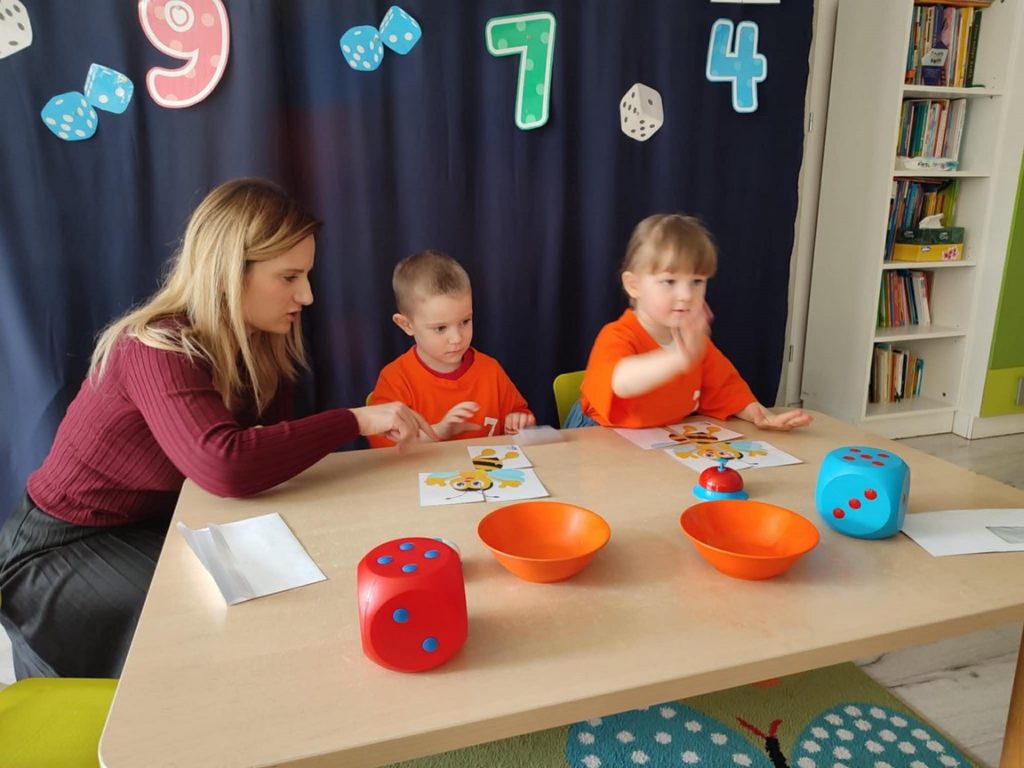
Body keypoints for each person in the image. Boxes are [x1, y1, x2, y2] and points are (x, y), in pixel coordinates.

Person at [0, 178, 436, 679]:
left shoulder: (260, 349)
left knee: (304, 580)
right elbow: (226, 466)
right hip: (59, 547)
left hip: (157, 527)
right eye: (289, 277)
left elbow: (265, 461)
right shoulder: (152, 346)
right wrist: (353, 420)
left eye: (307, 276)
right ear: (228, 271)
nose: (307, 295)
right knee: (210, 619)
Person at [567, 214, 812, 431]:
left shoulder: (695, 343)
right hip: (599, 435)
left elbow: (727, 389)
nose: (686, 295)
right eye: (669, 282)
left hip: (656, 441)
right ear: (634, 285)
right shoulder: (618, 335)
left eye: (697, 281)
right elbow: (620, 382)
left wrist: (760, 415)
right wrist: (677, 359)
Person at [368, 249, 535, 447]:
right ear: (406, 325)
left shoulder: (491, 370)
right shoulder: (396, 379)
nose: (457, 338)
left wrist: (519, 422)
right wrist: (439, 432)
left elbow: (520, 414)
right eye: (440, 328)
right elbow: (384, 448)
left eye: (465, 321)